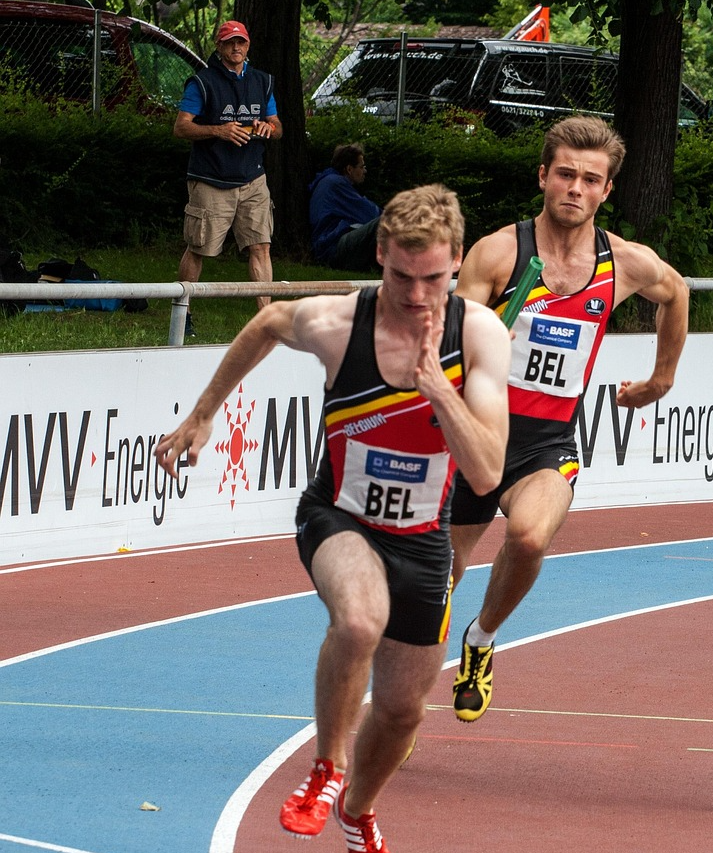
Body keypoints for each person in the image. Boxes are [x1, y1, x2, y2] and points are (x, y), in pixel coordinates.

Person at [153, 185, 512, 852]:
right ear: (379, 255)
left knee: (403, 709)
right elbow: (264, 324)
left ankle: (357, 808)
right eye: (401, 276)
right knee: (357, 619)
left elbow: (488, 471)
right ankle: (325, 768)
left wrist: (438, 387)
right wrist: (205, 412)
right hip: (338, 517)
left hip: (423, 541)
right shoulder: (339, 323)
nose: (415, 293)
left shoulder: (480, 335)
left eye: (433, 277)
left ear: (458, 262)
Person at [447, 115, 690, 723]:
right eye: (565, 175)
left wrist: (662, 379)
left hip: (545, 443)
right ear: (543, 177)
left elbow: (677, 291)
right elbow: (444, 340)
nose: (575, 189)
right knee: (433, 593)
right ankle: (402, 694)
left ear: (606, 191)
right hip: (472, 440)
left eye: (590, 179)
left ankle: (481, 640)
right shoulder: (500, 253)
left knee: (530, 535)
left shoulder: (623, 263)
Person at [173, 20, 282, 312]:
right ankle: (183, 314)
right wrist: (218, 130)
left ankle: (265, 319)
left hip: (253, 179)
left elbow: (278, 126)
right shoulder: (202, 82)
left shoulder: (262, 81)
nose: (236, 47)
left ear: (248, 46)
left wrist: (266, 127)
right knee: (199, 249)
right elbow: (181, 128)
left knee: (261, 247)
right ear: (219, 47)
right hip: (211, 179)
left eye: (241, 42)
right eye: (230, 42)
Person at [310, 142, 382, 272]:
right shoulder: (337, 184)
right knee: (385, 221)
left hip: (329, 245)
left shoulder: (329, 181)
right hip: (332, 246)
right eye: (362, 166)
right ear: (349, 169)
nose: (364, 171)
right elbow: (370, 213)